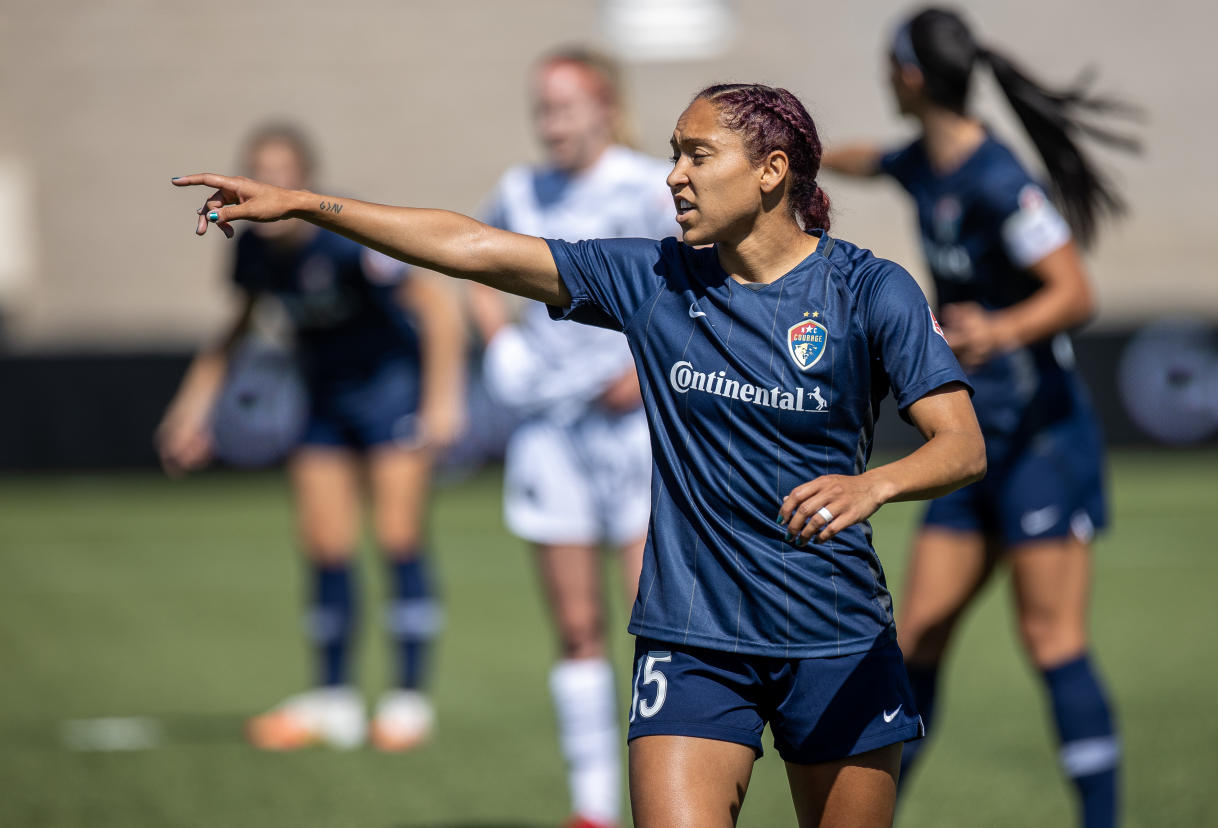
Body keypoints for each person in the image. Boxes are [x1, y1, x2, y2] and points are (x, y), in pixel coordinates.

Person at [172, 80, 986, 826]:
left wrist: (873, 484)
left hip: (835, 635)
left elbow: (960, 446)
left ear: (773, 171)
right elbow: (474, 247)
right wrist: (310, 206)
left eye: (698, 154)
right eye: (673, 152)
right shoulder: (655, 279)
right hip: (693, 637)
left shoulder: (871, 290)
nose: (674, 175)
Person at [821, 8, 1138, 826]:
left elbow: (1076, 292)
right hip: (965, 441)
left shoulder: (999, 180)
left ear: (913, 76)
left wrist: (1000, 329)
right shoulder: (922, 160)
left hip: (1041, 440)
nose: (884, 78)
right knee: (917, 634)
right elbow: (867, 159)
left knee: (1050, 640)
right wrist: (794, 161)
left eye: (890, 65)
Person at [158, 124, 466, 752]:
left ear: (300, 181)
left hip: (390, 396)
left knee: (397, 536)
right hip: (323, 401)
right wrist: (191, 412)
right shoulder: (249, 248)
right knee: (325, 544)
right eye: (255, 169)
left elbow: (435, 307)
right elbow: (236, 329)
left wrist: (443, 401)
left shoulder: (345, 236)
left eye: (278, 171)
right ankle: (335, 700)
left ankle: (407, 701)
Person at [463, 48, 680, 828]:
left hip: (634, 433)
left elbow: (701, 282)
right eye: (542, 108)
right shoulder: (523, 190)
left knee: (651, 623)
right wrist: (499, 345)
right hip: (551, 434)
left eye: (565, 106)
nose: (551, 123)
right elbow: (475, 268)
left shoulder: (648, 185)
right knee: (578, 626)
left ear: (604, 106)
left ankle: (664, 798)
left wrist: (649, 365)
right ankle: (593, 809)